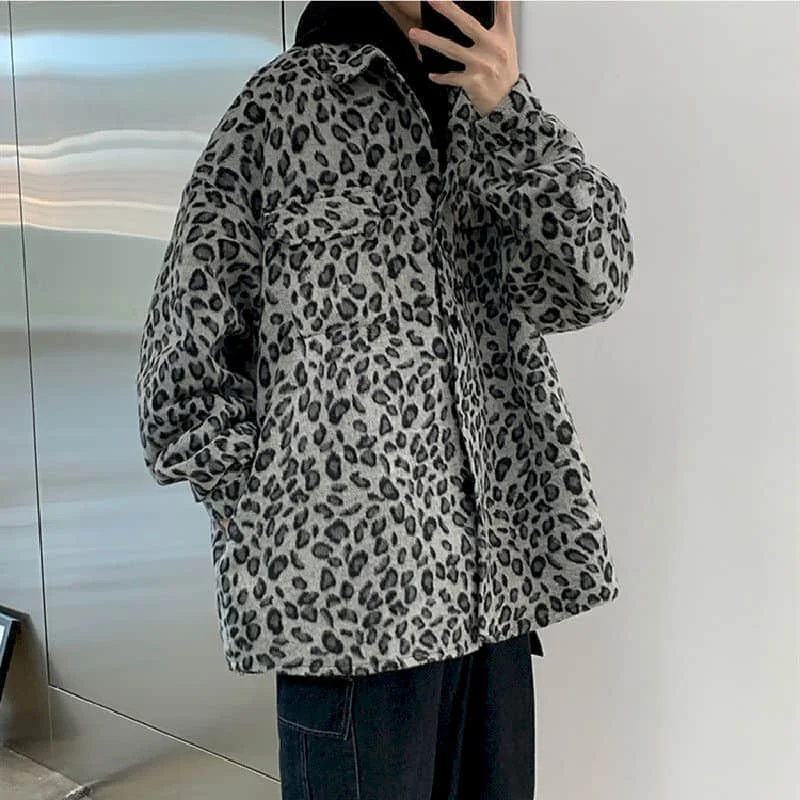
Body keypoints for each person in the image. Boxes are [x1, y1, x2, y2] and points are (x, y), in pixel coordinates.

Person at [135, 1, 634, 796]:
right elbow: (180, 360)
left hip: (493, 604)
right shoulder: (280, 110)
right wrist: (268, 516)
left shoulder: (490, 112)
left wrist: (510, 108)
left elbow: (593, 281)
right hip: (352, 615)